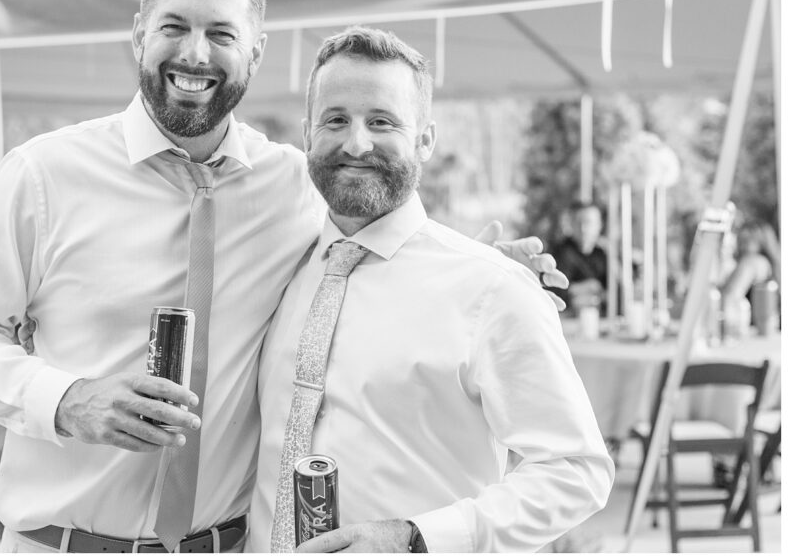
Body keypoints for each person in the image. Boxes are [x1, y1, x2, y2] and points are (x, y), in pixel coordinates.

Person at [0, 0, 567, 554]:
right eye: (174, 27)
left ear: (255, 55)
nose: (195, 54)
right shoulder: (43, 175)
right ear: (140, 35)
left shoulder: (296, 184)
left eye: (221, 34)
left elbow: (378, 245)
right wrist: (66, 400)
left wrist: (478, 269)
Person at [247, 27, 614, 553]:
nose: (356, 142)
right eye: (336, 120)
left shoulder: (493, 288)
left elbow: (576, 470)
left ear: (425, 140)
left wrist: (416, 539)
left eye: (382, 121)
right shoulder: (282, 266)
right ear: (308, 134)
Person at [554, 201, 609, 316]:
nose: (583, 229)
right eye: (578, 223)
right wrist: (591, 286)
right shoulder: (561, 252)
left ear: (599, 225)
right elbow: (557, 291)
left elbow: (618, 292)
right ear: (572, 225)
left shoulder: (605, 254)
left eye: (588, 223)